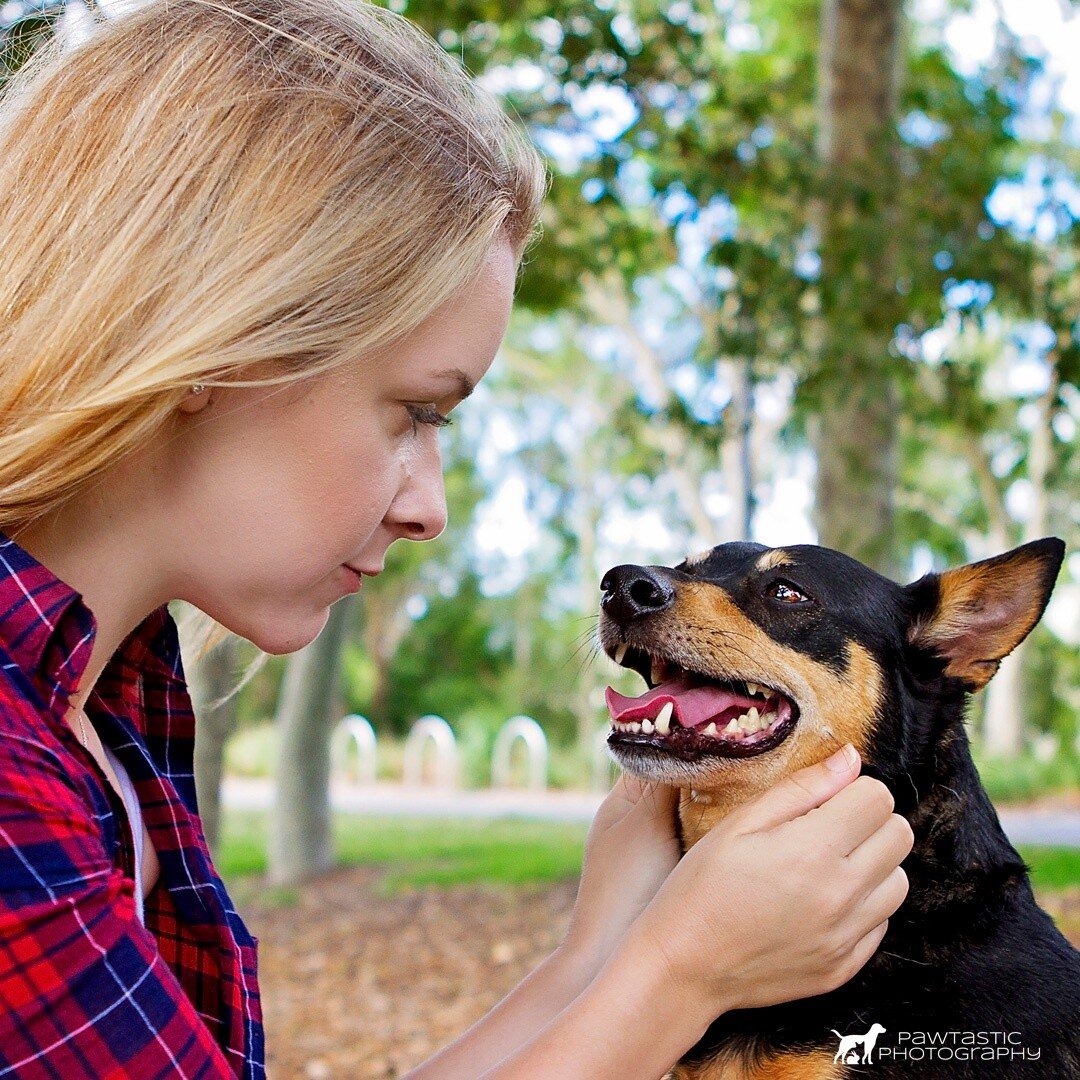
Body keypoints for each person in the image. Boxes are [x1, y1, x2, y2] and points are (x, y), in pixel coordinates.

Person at [0, 1, 914, 1077]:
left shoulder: (108, 706)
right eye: (417, 413)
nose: (430, 507)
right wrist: (682, 977)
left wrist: (599, 955)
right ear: (216, 338)